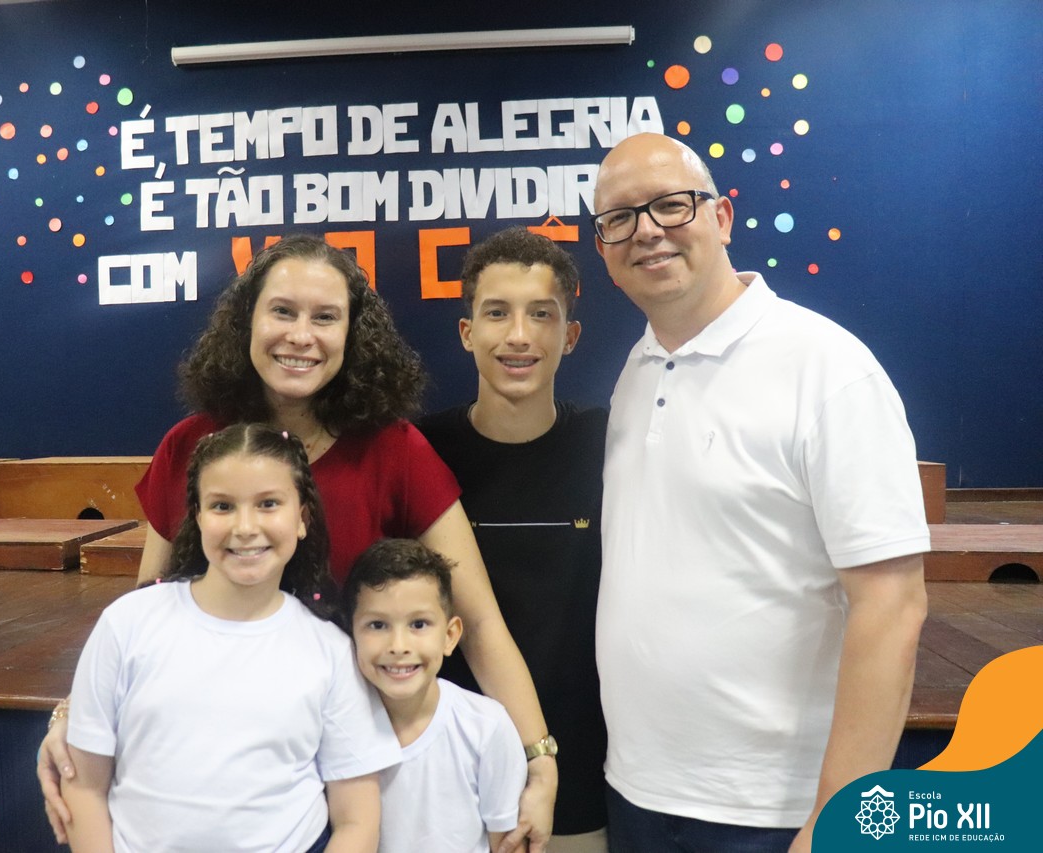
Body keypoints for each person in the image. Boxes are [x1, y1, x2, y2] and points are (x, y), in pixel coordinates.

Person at [40, 234, 557, 851]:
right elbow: (147, 613)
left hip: (357, 772)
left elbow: (478, 621)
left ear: (353, 333)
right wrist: (74, 716)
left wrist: (539, 758)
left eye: (325, 317)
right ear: (247, 321)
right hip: (212, 768)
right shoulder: (190, 447)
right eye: (282, 311)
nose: (301, 336)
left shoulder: (395, 450)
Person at [591, 132, 930, 853]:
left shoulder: (828, 369)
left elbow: (893, 605)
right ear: (603, 249)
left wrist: (837, 819)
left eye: (670, 205)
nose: (646, 230)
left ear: (721, 218)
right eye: (619, 218)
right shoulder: (637, 371)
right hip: (637, 791)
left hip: (778, 812)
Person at [61, 424, 399, 853]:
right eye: (222, 506)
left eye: (268, 504)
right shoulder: (128, 623)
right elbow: (85, 788)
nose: (245, 527)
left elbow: (357, 820)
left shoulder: (330, 651)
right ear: (197, 516)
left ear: (302, 518)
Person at [416, 227, 608, 853]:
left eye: (541, 315)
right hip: (446, 780)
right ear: (467, 332)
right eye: (496, 313)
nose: (519, 335)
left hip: (583, 775)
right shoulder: (419, 452)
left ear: (570, 336)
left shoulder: (613, 443)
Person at [343, 538, 527, 853]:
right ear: (351, 634)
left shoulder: (487, 727)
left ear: (450, 635)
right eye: (377, 625)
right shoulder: (340, 727)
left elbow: (506, 844)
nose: (398, 646)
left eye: (418, 624)